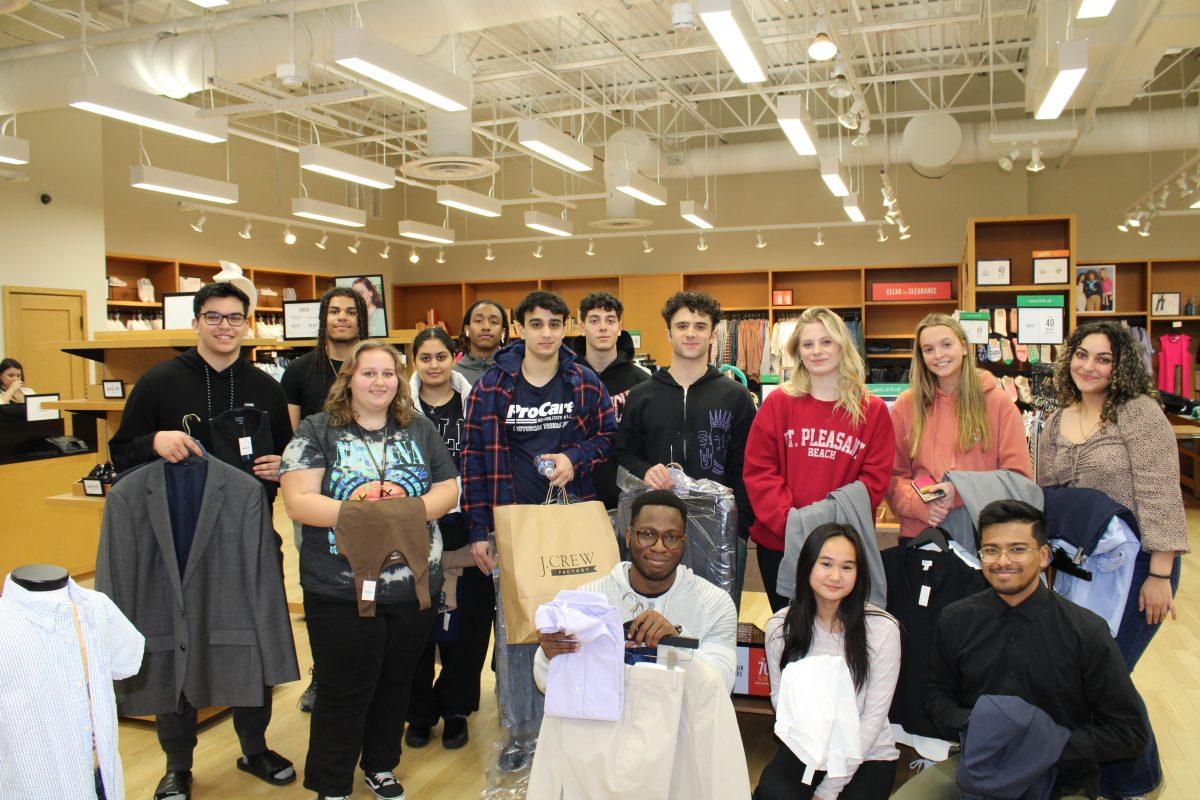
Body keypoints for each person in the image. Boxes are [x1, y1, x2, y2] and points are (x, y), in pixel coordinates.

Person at [106, 282, 296, 799]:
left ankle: (254, 746)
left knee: (252, 635)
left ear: (247, 325)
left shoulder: (266, 387)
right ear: (195, 322)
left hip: (247, 537)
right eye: (214, 317)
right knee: (177, 643)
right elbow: (121, 451)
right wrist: (154, 441)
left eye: (235, 318)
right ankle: (178, 764)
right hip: (175, 538)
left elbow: (288, 458)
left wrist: (282, 466)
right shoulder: (158, 382)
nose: (225, 327)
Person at [279, 340, 459, 800]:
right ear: (348, 380)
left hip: (412, 586)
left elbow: (448, 491)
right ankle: (332, 782)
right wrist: (381, 514)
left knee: (394, 683)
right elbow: (299, 501)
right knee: (343, 688)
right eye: (368, 373)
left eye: (388, 374)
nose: (379, 382)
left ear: (399, 381)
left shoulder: (419, 429)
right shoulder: (317, 432)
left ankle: (380, 765)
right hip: (338, 588)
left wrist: (394, 512)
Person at [894, 500, 1148, 800]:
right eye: (991, 549)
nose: (1003, 560)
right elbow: (936, 696)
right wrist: (983, 727)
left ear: (1043, 556)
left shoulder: (1086, 631)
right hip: (980, 764)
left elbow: (1129, 732)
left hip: (1061, 777)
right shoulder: (956, 619)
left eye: (1017, 548)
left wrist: (1043, 744)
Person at [460, 289, 618, 771]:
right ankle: (523, 733)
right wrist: (479, 529)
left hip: (572, 521)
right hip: (514, 524)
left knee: (581, 621)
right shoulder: (493, 385)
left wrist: (576, 457)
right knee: (518, 630)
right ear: (520, 327)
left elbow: (609, 434)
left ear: (565, 327)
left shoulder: (583, 381)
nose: (546, 333)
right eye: (536, 324)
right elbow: (473, 459)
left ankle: (582, 717)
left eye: (555, 324)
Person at [1037, 320, 1189, 800]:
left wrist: (1160, 574)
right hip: (1078, 566)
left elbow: (1162, 494)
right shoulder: (1058, 420)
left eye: (1103, 358)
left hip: (1141, 563)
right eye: (1082, 355)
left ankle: (1138, 781)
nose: (1089, 366)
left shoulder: (1140, 414)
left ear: (1120, 365)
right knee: (1086, 672)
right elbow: (1045, 493)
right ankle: (1118, 776)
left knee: (1108, 673)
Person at [744, 307, 895, 612]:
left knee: (840, 640)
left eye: (826, 342)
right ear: (797, 351)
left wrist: (827, 532)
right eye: (808, 344)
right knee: (791, 638)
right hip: (781, 544)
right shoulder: (779, 403)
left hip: (842, 550)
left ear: (842, 345)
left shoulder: (872, 410)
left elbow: (873, 482)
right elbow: (760, 471)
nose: (816, 351)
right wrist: (793, 525)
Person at [613, 290, 756, 598]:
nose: (691, 333)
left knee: (716, 624)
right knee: (651, 626)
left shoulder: (737, 397)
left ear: (712, 333)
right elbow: (623, 453)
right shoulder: (641, 395)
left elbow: (747, 467)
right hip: (655, 534)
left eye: (700, 326)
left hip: (720, 529)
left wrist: (740, 531)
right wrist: (645, 469)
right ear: (668, 332)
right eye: (682, 326)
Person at [535, 489, 738, 691]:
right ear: (629, 536)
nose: (659, 547)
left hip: (679, 722)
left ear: (683, 542)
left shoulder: (715, 603)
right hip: (609, 721)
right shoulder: (587, 599)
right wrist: (548, 654)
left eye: (672, 537)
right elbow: (546, 683)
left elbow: (723, 685)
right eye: (648, 535)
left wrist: (676, 642)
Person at [757, 522, 900, 800]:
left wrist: (828, 791)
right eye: (826, 564)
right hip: (806, 748)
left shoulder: (882, 629)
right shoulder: (779, 627)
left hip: (866, 754)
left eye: (847, 567)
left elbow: (872, 719)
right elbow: (780, 699)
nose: (835, 576)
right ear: (807, 565)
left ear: (859, 574)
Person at [403, 327, 495, 751]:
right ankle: (419, 713)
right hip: (413, 526)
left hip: (468, 523)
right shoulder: (398, 407)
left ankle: (457, 708)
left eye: (441, 356)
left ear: (453, 357)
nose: (434, 365)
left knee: (471, 622)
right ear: (415, 362)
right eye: (425, 358)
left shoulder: (476, 400)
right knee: (415, 623)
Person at [281, 287, 369, 712]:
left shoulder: (375, 365)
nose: (342, 319)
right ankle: (323, 673)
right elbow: (291, 438)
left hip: (370, 498)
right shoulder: (300, 370)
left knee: (370, 581)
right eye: (334, 312)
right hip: (317, 502)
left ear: (361, 320)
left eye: (350, 312)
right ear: (323, 318)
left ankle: (368, 670)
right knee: (322, 588)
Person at [886, 313, 1032, 539]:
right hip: (924, 534)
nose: (939, 355)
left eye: (946, 344)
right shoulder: (907, 405)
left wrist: (961, 490)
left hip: (983, 536)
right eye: (928, 349)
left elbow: (1018, 479)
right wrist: (918, 505)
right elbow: (893, 475)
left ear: (964, 346)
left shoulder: (999, 404)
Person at [567, 291, 651, 509]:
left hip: (627, 498)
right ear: (582, 327)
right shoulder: (565, 379)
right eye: (594, 320)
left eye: (610, 320)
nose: (603, 327)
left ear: (620, 326)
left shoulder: (642, 381)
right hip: (574, 495)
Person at [455, 299, 508, 385]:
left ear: (503, 332)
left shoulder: (513, 371)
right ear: (467, 330)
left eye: (493, 322)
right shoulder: (453, 374)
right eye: (478, 321)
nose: (486, 327)